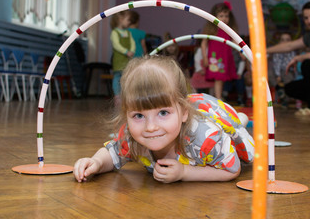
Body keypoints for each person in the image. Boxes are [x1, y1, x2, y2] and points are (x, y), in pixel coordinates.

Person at [74, 56, 254, 183]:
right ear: (126, 114)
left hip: (211, 112)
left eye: (163, 113)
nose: (150, 127)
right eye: (138, 116)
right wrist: (96, 162)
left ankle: (239, 119)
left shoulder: (205, 137)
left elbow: (231, 168)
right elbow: (112, 153)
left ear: (184, 112)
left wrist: (185, 172)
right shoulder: (132, 136)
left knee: (233, 129)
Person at [266, 1, 310, 117]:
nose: (309, 20)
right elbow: (289, 45)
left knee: (308, 64)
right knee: (290, 88)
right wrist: (263, 51)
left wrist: (299, 57)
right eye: (306, 18)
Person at [201, 1, 239, 100]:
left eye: (226, 16)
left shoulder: (229, 29)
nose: (224, 18)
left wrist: (241, 51)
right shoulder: (212, 29)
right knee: (218, 78)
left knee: (221, 79)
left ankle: (218, 96)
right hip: (215, 57)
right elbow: (204, 43)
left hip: (225, 57)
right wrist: (205, 57)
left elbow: (235, 41)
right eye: (221, 16)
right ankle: (218, 97)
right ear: (215, 16)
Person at [110, 11, 136, 102]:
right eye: (128, 20)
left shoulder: (128, 33)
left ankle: (126, 95)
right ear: (120, 19)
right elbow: (116, 45)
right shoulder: (115, 32)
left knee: (127, 76)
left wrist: (132, 50)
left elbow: (132, 43)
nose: (129, 22)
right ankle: (117, 95)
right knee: (117, 76)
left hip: (128, 59)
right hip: (119, 59)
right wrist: (126, 51)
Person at [270, 32, 296, 107]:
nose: (285, 42)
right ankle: (279, 89)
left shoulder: (292, 51)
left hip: (287, 70)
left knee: (288, 77)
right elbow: (276, 63)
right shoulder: (277, 51)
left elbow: (289, 64)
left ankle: (285, 99)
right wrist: (278, 75)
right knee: (269, 73)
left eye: (287, 40)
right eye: (282, 40)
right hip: (277, 70)